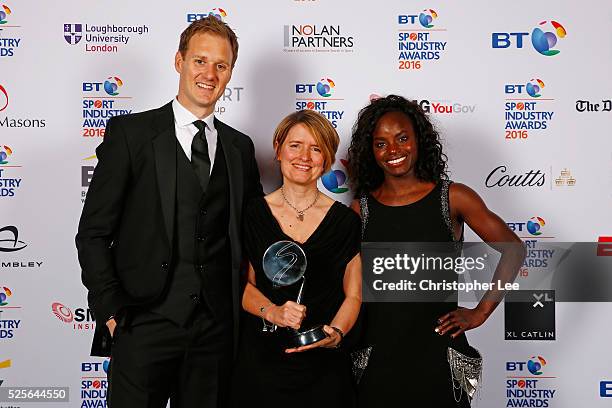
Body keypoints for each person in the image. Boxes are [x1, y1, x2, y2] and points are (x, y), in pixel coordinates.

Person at [76, 16, 263, 408]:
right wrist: (112, 312)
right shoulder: (132, 135)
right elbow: (92, 233)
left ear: (230, 73)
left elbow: (253, 231)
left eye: (221, 65)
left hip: (214, 331)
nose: (209, 74)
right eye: (200, 61)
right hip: (143, 323)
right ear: (179, 61)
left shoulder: (239, 148)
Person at [347, 95, 525, 407]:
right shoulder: (361, 209)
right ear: (370, 150)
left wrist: (481, 311)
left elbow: (513, 249)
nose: (394, 151)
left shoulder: (453, 197)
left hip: (437, 355)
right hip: (378, 356)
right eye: (381, 143)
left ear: (418, 139)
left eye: (402, 138)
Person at [231, 110, 362, 407]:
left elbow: (354, 294)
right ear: (278, 149)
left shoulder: (346, 221)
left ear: (327, 159)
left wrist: (337, 333)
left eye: (316, 148)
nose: (304, 156)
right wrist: (273, 312)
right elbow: (242, 285)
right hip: (260, 366)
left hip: (324, 370)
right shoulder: (252, 214)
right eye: (295, 145)